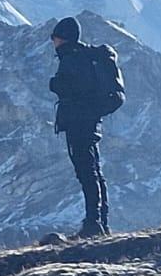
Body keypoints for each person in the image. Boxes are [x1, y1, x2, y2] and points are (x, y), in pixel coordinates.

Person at [48, 16, 123, 237]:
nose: (54, 42)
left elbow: (69, 87)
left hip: (77, 121)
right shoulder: (88, 57)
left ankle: (93, 223)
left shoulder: (71, 59)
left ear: (64, 38)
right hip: (91, 120)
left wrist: (54, 84)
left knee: (86, 172)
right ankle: (101, 221)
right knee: (94, 170)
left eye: (55, 37)